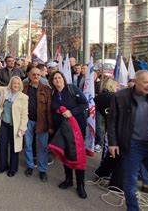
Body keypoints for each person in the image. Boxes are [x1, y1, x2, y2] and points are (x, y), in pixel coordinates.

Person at [108, 70, 148, 210]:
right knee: (130, 182)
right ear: (135, 81)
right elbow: (112, 121)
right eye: (146, 82)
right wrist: (113, 143)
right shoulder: (120, 96)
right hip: (132, 145)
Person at [49, 71, 88, 199]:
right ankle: (68, 179)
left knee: (78, 155)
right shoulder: (53, 93)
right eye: (54, 78)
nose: (57, 80)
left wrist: (72, 112)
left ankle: (80, 184)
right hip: (62, 129)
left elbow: (84, 104)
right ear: (52, 81)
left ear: (64, 79)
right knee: (66, 154)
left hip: (77, 128)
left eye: (59, 77)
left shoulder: (72, 89)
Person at [0, 73, 28, 177]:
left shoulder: (23, 97)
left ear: (20, 85)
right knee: (2, 145)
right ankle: (3, 166)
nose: (16, 85)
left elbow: (24, 114)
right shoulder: (5, 91)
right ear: (11, 83)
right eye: (14, 83)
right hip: (4, 124)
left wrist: (23, 127)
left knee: (14, 148)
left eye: (18, 83)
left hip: (15, 126)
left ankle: (12, 169)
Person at [23, 66, 53, 182]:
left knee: (43, 147)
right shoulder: (24, 87)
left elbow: (49, 109)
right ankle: (30, 166)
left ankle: (42, 170)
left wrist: (50, 126)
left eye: (38, 75)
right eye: (33, 74)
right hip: (27, 121)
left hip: (42, 122)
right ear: (29, 76)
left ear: (41, 76)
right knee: (28, 144)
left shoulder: (46, 89)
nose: (36, 76)